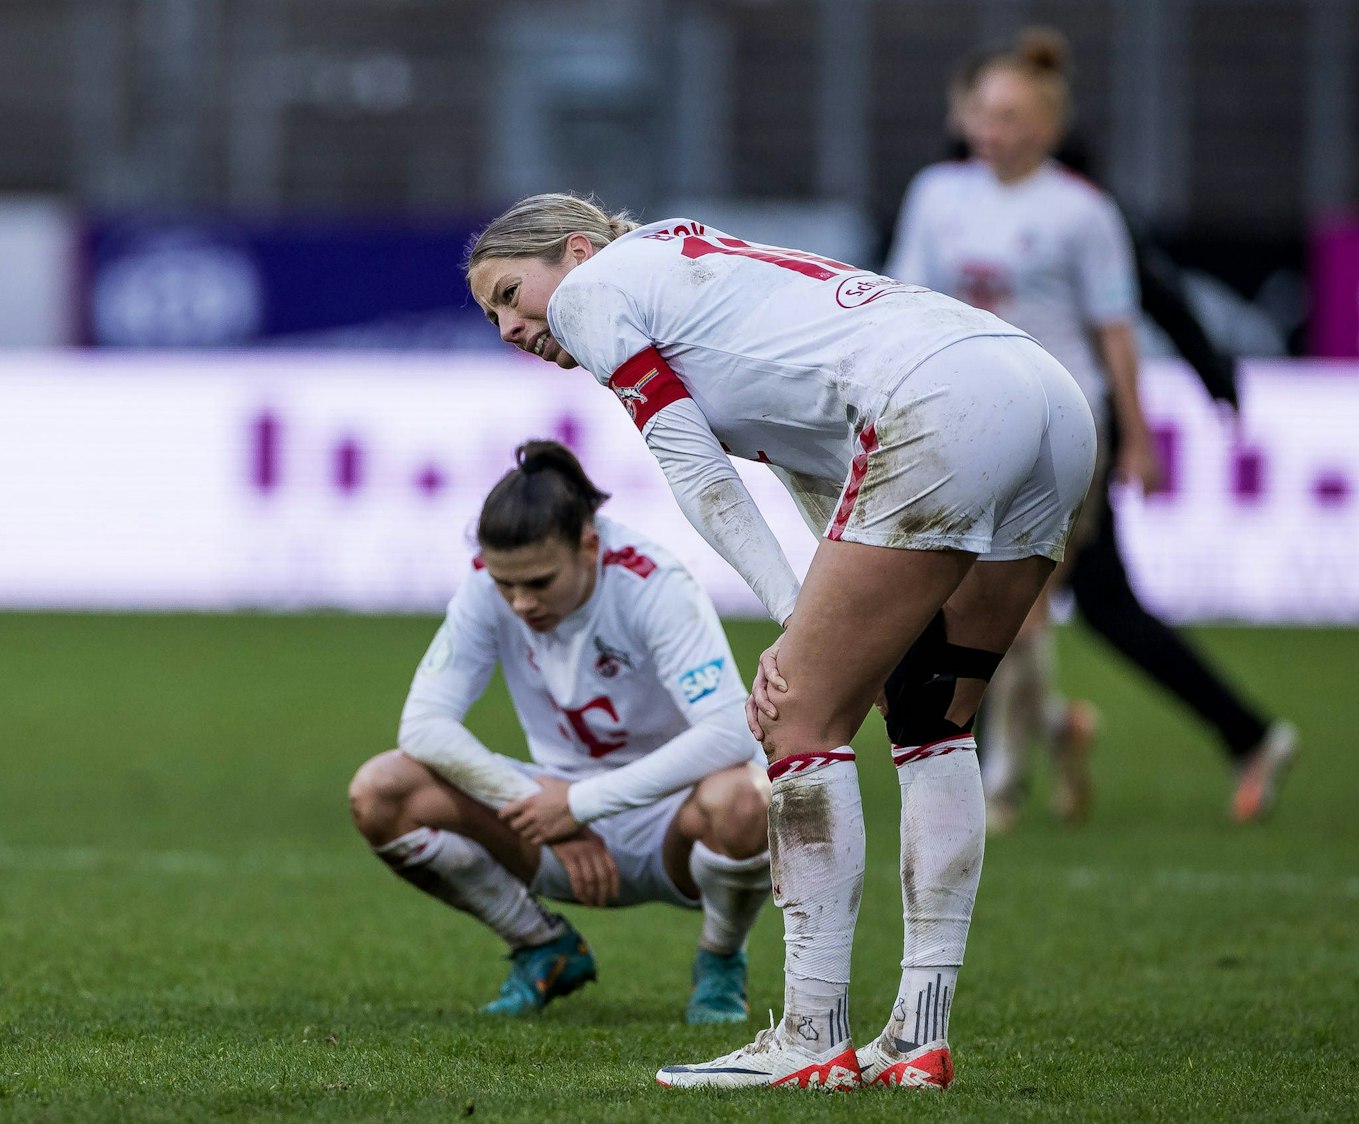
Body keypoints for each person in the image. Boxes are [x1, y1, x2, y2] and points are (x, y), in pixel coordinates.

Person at [466, 192, 1096, 1090]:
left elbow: (695, 469)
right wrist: (836, 628)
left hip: (941, 398)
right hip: (1041, 394)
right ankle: (918, 1037)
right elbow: (826, 472)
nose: (508, 327)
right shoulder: (693, 272)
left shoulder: (592, 291)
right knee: (931, 717)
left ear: (573, 250)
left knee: (795, 719)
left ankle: (809, 1038)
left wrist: (798, 634)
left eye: (507, 294)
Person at [889, 28, 1297, 827]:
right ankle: (1088, 729)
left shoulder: (1082, 211)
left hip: (1060, 429)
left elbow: (1119, 329)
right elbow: (908, 303)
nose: (991, 129)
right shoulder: (936, 195)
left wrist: (1137, 436)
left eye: (1008, 115)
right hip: (967, 420)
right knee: (1079, 604)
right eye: (980, 112)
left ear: (1044, 124)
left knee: (1013, 602)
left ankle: (1001, 782)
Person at [348, 441, 774, 1025]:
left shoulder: (654, 584)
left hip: (673, 818)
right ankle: (543, 946)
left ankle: (721, 960)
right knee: (381, 789)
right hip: (547, 817)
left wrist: (582, 804)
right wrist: (537, 804)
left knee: (748, 796)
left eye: (540, 582)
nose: (521, 602)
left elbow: (731, 732)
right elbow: (423, 725)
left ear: (590, 546)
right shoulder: (484, 584)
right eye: (506, 585)